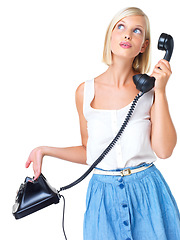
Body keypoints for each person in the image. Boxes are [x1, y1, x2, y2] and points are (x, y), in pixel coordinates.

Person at [25, 7, 180, 240]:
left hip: (148, 192)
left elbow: (164, 150)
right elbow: (90, 153)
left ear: (144, 46)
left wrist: (161, 90)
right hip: (103, 198)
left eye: (136, 31)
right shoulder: (84, 92)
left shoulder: (150, 92)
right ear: (110, 37)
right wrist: (44, 150)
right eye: (121, 27)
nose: (127, 35)